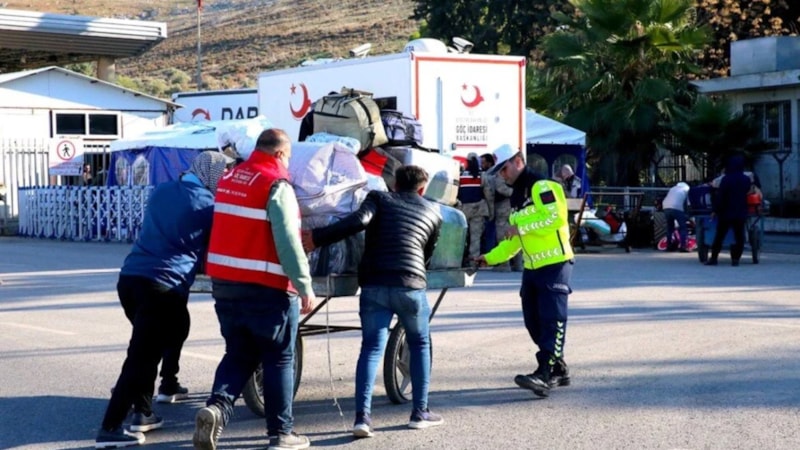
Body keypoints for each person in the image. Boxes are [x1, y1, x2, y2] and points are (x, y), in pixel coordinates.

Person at [95, 151, 232, 449]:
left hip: (130, 279)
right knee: (141, 357)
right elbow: (217, 245)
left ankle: (146, 409)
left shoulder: (162, 190)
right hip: (163, 286)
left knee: (162, 337)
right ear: (213, 175)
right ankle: (110, 427)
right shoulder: (208, 205)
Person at [193, 129, 315, 450]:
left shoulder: (229, 178)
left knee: (238, 353)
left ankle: (216, 409)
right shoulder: (276, 184)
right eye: (288, 158)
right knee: (279, 358)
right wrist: (304, 285)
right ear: (280, 153)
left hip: (225, 286)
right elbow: (288, 241)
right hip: (267, 288)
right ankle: (282, 433)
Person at [301, 165, 444, 438]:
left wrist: (317, 238)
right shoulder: (434, 212)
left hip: (374, 284)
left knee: (370, 349)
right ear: (422, 189)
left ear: (394, 184)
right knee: (419, 343)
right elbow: (428, 254)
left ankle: (362, 419)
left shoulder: (379, 198)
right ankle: (420, 412)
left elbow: (358, 221)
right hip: (410, 285)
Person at [475, 144, 574, 398]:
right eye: (499, 171)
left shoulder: (543, 186)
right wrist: (489, 258)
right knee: (533, 321)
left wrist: (522, 227)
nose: (502, 175)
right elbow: (513, 242)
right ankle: (558, 368)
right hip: (532, 268)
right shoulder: (517, 198)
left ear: (518, 161)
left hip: (555, 264)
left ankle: (545, 373)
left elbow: (555, 218)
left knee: (552, 319)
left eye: (504, 168)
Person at [706, 155, 752, 267]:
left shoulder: (726, 179)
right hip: (740, 212)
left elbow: (721, 196)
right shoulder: (746, 179)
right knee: (739, 236)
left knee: (719, 236)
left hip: (726, 212)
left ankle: (714, 258)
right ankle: (735, 259)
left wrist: (715, 210)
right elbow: (748, 192)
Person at [457, 153, 491, 265]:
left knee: (461, 237)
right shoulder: (482, 176)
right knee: (475, 238)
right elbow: (488, 195)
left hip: (464, 210)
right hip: (478, 209)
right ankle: (473, 262)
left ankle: (458, 261)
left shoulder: (460, 175)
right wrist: (491, 211)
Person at [662, 181, 691, 252]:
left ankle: (668, 246)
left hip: (666, 207)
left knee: (670, 228)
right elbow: (688, 203)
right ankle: (683, 246)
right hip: (676, 207)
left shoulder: (673, 188)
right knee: (683, 227)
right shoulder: (687, 189)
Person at [479, 153, 497, 252]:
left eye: (483, 163)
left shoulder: (490, 175)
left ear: (489, 163)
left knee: (490, 233)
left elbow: (489, 195)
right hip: (493, 207)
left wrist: (491, 212)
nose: (481, 165)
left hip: (492, 208)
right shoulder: (493, 173)